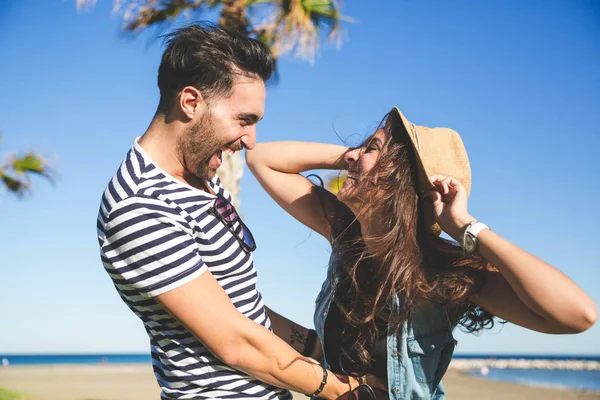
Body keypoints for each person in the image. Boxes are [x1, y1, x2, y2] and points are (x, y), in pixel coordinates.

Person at [246, 106, 597, 399]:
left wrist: (464, 226)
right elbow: (261, 158)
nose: (351, 154)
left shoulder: (443, 272)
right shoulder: (344, 235)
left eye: (370, 147)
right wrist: (358, 159)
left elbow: (578, 315)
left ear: (399, 177)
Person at [96, 23, 357, 400]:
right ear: (191, 102)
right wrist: (345, 392)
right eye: (244, 120)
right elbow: (236, 342)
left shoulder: (201, 178)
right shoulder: (140, 205)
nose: (251, 139)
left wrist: (320, 350)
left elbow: (240, 311)